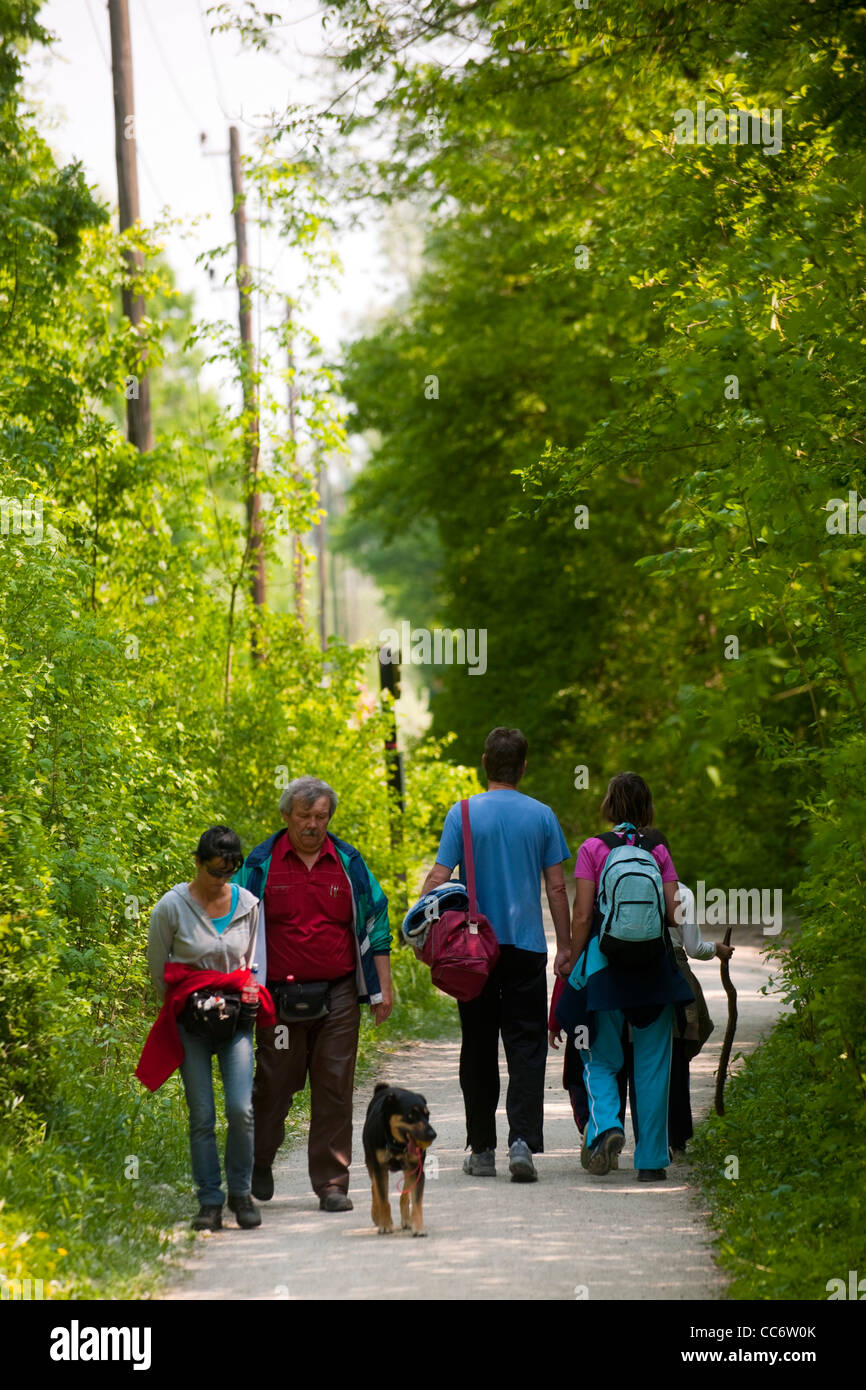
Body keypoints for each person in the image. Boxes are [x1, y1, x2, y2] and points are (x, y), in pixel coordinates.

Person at [420, 726, 571, 1182]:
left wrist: (420, 934)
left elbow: (439, 877)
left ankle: (482, 1149)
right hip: (525, 948)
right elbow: (557, 887)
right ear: (524, 766)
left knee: (479, 1045)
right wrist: (565, 946)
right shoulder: (543, 816)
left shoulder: (462, 813)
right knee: (526, 1046)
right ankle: (522, 1142)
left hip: (473, 952)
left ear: (485, 763)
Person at [235, 776, 392, 1212]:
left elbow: (377, 920)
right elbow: (236, 925)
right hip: (277, 999)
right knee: (274, 1084)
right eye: (304, 816)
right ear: (286, 816)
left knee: (334, 1087)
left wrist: (382, 988)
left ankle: (332, 1184)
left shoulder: (348, 862)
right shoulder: (260, 864)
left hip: (338, 994)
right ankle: (259, 1162)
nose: (312, 824)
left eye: (321, 816)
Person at [138, 825, 266, 1232]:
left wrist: (247, 991)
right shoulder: (171, 907)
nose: (220, 881)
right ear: (197, 862)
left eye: (228, 873)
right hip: (191, 1022)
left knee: (241, 1110)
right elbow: (158, 970)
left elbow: (254, 963)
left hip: (235, 1022)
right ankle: (209, 1201)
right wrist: (189, 1003)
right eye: (214, 872)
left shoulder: (248, 903)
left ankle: (240, 1194)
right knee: (202, 1115)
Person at [567, 773, 694, 1182]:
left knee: (601, 1058)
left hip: (606, 968)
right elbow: (675, 915)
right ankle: (652, 1161)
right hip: (654, 969)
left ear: (609, 805)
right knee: (653, 1063)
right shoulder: (657, 849)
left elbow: (584, 915)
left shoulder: (592, 848)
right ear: (647, 808)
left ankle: (606, 1126)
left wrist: (571, 957)